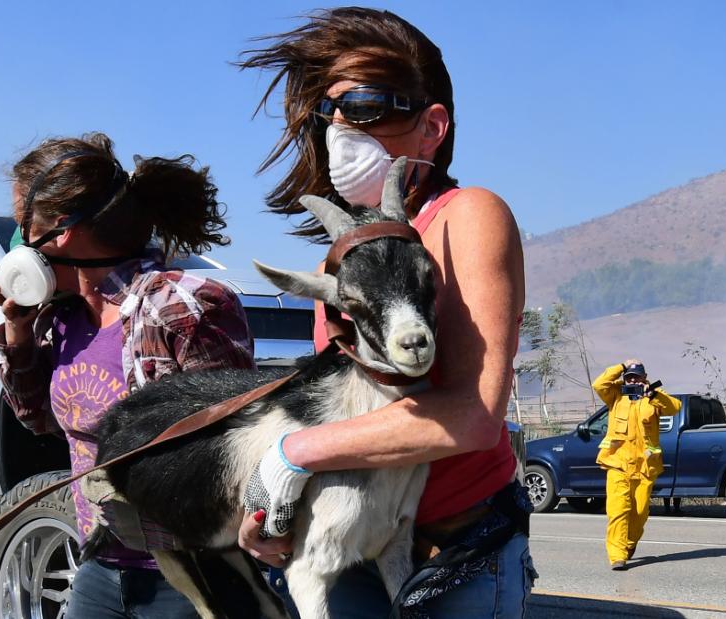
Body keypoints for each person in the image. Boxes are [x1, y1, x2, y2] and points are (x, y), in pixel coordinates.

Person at [236, 8, 535, 617]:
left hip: (447, 557)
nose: (342, 124)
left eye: (367, 105)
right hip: (348, 548)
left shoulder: (466, 216)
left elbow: (475, 416)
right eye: (331, 109)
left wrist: (293, 455)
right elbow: (334, 404)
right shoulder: (342, 257)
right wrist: (267, 500)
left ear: (432, 126)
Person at [0, 133, 255, 618]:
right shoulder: (62, 318)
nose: (17, 241)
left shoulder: (182, 305)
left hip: (187, 572)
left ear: (60, 231)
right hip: (100, 560)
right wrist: (18, 331)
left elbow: (235, 445)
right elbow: (37, 420)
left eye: (20, 224)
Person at [591, 359, 680, 570]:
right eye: (628, 377)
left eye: (636, 377)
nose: (632, 380)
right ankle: (617, 555)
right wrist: (622, 366)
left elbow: (674, 407)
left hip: (644, 467)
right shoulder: (615, 395)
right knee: (618, 510)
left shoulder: (653, 397)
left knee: (639, 512)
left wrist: (653, 394)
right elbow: (599, 384)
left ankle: (629, 543)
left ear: (644, 378)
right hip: (618, 464)